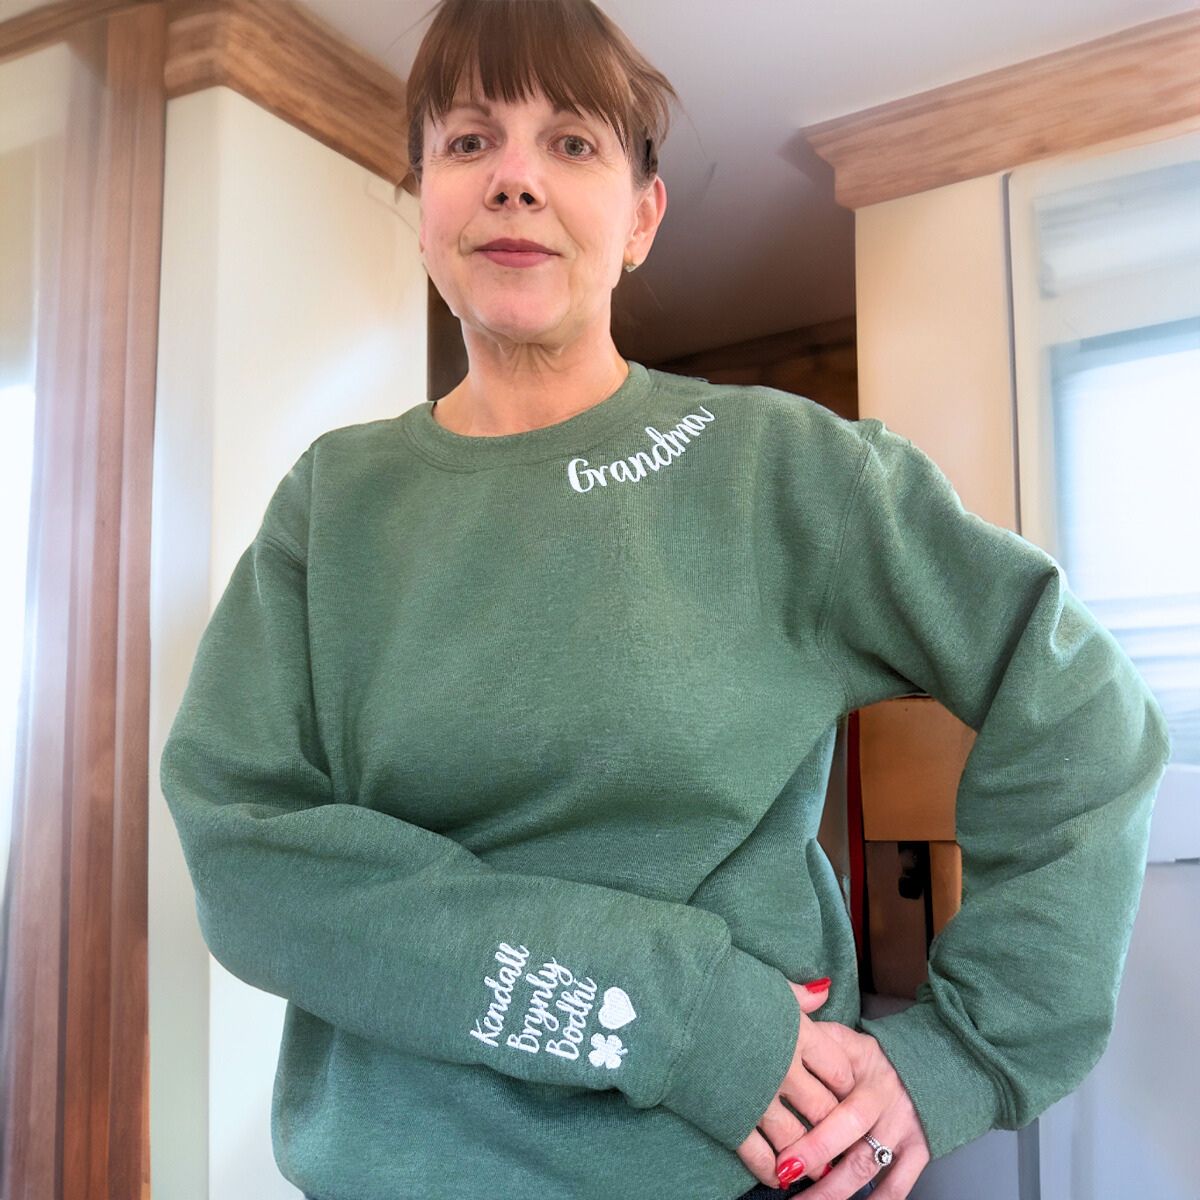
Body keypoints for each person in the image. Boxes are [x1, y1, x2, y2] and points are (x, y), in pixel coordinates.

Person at [158, 1, 1173, 1198]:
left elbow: (1078, 703)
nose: (516, 181)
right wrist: (668, 1015)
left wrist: (963, 1054)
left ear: (642, 217)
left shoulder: (783, 468)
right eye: (470, 142)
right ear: (421, 198)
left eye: (573, 143)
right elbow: (244, 850)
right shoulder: (334, 502)